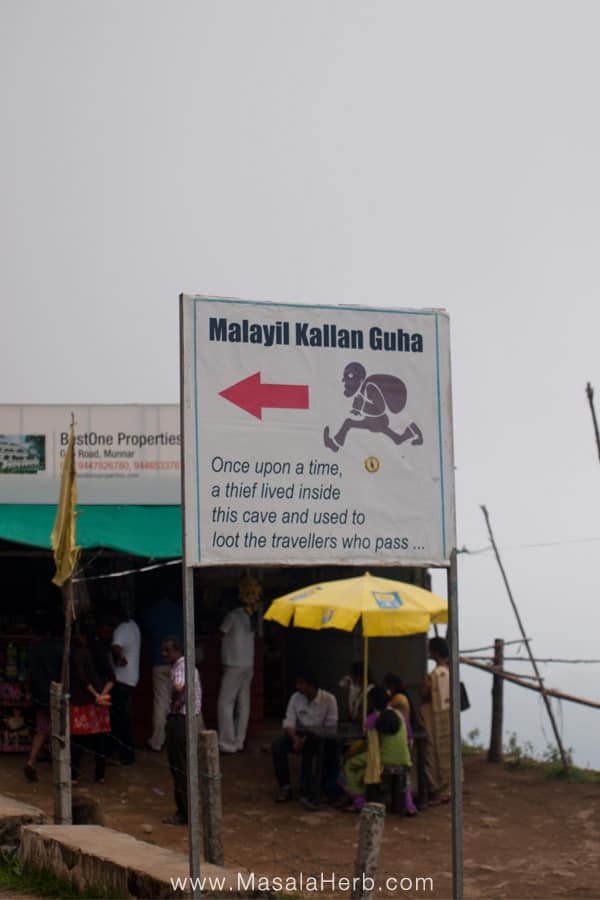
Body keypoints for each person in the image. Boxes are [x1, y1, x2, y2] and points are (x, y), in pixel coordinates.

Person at [323, 361, 423, 453]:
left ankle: (335, 445)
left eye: (348, 379)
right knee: (396, 439)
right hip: (374, 422)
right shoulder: (362, 390)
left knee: (348, 423)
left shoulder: (369, 388)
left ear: (359, 380)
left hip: (377, 422)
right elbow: (366, 405)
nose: (345, 383)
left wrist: (362, 408)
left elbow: (381, 409)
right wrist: (358, 410)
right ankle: (412, 430)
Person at [271, 671, 338, 806]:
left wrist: (307, 739)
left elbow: (331, 727)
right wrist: (296, 739)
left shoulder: (329, 699)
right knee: (278, 745)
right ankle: (285, 787)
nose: (298, 687)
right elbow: (289, 722)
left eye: (301, 683)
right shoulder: (295, 698)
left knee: (329, 749)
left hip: (321, 738)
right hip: (299, 735)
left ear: (311, 685)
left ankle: (318, 788)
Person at [341, 686, 411, 813]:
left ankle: (359, 801)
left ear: (372, 701)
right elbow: (409, 738)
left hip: (383, 758)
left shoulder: (372, 719)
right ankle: (409, 804)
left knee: (350, 765)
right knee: (363, 769)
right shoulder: (401, 715)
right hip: (405, 759)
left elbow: (372, 747)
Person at [162, 636, 202, 826]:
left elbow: (179, 686)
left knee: (179, 766)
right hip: (187, 717)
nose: (164, 654)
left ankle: (184, 812)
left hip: (180, 719)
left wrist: (176, 701)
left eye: (167, 650)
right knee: (183, 764)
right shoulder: (186, 665)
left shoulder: (181, 665)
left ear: (176, 650)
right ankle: (187, 809)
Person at [217, 575, 260, 754]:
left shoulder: (233, 615)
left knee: (225, 703)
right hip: (248, 663)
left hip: (234, 663)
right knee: (243, 703)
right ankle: (239, 741)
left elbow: (220, 633)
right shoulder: (252, 616)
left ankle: (227, 743)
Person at [141, 587, 184, 752]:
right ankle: (197, 736)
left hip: (160, 662)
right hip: (179, 661)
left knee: (161, 702)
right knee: (189, 698)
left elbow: (146, 630)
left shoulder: (151, 613)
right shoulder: (180, 611)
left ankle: (157, 741)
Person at [70, 632, 113, 785]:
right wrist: (102, 695)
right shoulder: (102, 654)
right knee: (99, 741)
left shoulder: (78, 654)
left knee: (78, 741)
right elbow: (112, 678)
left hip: (82, 703)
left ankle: (74, 775)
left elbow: (82, 679)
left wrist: (95, 694)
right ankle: (100, 775)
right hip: (100, 704)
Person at [24, 614, 63, 782]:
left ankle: (31, 762)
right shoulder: (60, 648)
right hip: (56, 694)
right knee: (59, 730)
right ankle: (60, 767)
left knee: (42, 730)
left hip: (39, 694)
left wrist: (29, 690)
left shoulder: (35, 648)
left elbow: (30, 673)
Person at [418, 636, 451, 805]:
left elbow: (424, 693)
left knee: (432, 752)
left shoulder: (434, 675)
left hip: (433, 718)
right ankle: (449, 788)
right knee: (448, 751)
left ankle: (438, 788)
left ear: (435, 652)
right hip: (448, 717)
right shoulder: (451, 672)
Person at [109, 603, 141, 765]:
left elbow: (116, 647)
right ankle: (125, 754)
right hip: (131, 678)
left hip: (122, 679)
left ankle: (123, 755)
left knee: (119, 719)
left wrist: (119, 659)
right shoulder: (133, 626)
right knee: (124, 718)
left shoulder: (120, 630)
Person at [383, 672, 417, 816]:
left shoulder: (397, 700)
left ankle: (405, 804)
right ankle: (407, 805)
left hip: (399, 744)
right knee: (405, 776)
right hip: (405, 744)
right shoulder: (402, 702)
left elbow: (385, 708)